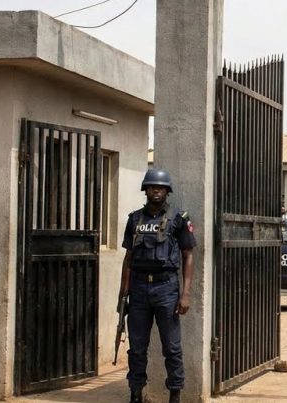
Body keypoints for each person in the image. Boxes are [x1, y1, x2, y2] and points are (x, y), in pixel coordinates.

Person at [120, 169, 196, 403]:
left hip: (166, 288)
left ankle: (175, 394)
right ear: (145, 190)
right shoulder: (135, 219)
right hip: (139, 289)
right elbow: (128, 258)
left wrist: (185, 294)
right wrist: (123, 294)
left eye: (161, 187)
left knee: (171, 347)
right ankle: (135, 393)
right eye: (152, 186)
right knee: (137, 347)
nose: (156, 190)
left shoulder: (179, 218)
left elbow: (188, 256)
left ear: (167, 191)